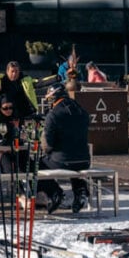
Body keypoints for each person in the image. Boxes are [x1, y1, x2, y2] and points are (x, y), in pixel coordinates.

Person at [37, 79, 90, 215]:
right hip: (84, 160)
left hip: (63, 160)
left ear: (54, 97)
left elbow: (47, 144)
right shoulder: (81, 110)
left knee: (38, 165)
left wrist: (47, 150)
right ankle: (80, 190)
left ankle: (55, 193)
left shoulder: (53, 115)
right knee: (74, 162)